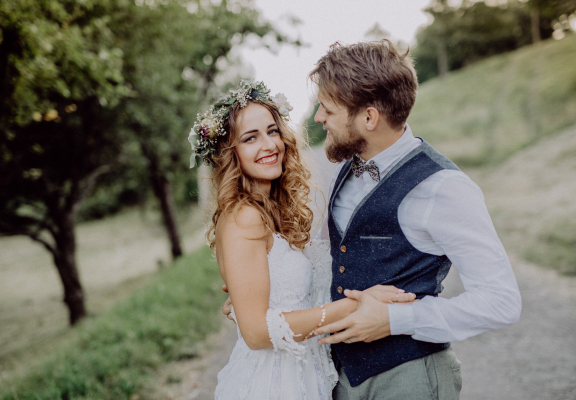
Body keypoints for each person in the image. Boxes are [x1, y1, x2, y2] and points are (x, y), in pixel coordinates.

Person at [303, 40, 522, 399]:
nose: (318, 118)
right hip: (340, 379)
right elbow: (332, 255)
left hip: (409, 380)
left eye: (327, 109)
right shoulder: (345, 166)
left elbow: (502, 301)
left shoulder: (443, 188)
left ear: (369, 118)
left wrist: (394, 320)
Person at [188, 80, 416, 400]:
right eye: (251, 138)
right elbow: (255, 333)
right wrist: (356, 306)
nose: (269, 145)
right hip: (271, 385)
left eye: (272, 131)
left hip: (302, 378)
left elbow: (277, 295)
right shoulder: (244, 217)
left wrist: (244, 302)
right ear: (230, 153)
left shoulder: (270, 210)